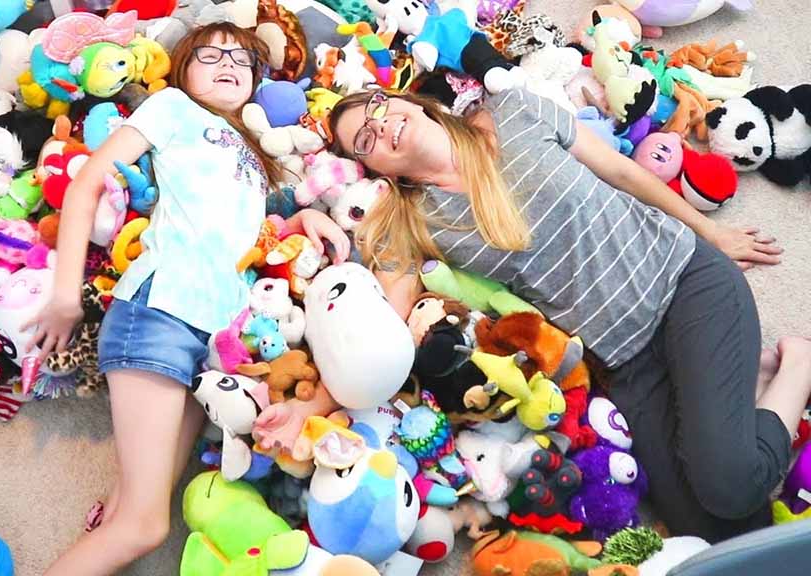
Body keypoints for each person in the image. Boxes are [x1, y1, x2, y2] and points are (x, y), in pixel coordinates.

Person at [328, 87, 811, 542]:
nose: (383, 122)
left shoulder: (511, 110)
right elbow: (381, 335)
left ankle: (797, 366)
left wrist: (711, 232)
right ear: (374, 169)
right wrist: (319, 406)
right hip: (626, 364)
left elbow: (620, 171)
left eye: (377, 105)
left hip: (681, 283)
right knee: (726, 528)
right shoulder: (413, 221)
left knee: (729, 483)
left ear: (401, 98)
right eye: (365, 138)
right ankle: (749, 383)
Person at [29, 23, 348, 576]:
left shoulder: (253, 153)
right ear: (180, 68)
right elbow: (86, 183)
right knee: (147, 527)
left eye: (242, 57)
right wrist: (64, 296)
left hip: (213, 344)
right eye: (210, 52)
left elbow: (249, 234)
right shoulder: (172, 106)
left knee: (132, 510)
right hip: (160, 312)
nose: (229, 62)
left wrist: (302, 215)